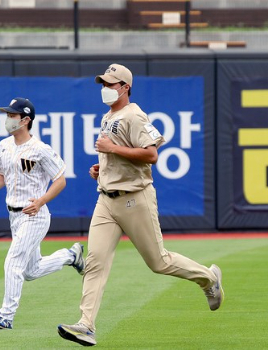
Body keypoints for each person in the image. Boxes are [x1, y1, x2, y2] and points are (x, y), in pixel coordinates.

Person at [57, 64, 224, 346]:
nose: (105, 88)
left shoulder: (135, 115)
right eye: (104, 83)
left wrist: (112, 150)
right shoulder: (108, 116)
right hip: (106, 200)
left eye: (111, 84)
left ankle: (208, 279)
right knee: (95, 263)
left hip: (135, 198)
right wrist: (103, 167)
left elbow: (151, 154)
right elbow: (119, 154)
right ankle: (86, 325)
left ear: (125, 87)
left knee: (159, 262)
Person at [0, 97, 86, 330]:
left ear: (25, 120)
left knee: (13, 262)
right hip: (14, 215)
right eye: (7, 114)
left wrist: (42, 201)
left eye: (12, 115)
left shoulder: (40, 149)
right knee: (30, 270)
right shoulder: (4, 145)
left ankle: (6, 316)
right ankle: (70, 256)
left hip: (35, 215)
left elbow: (60, 180)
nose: (8, 119)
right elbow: (2, 175)